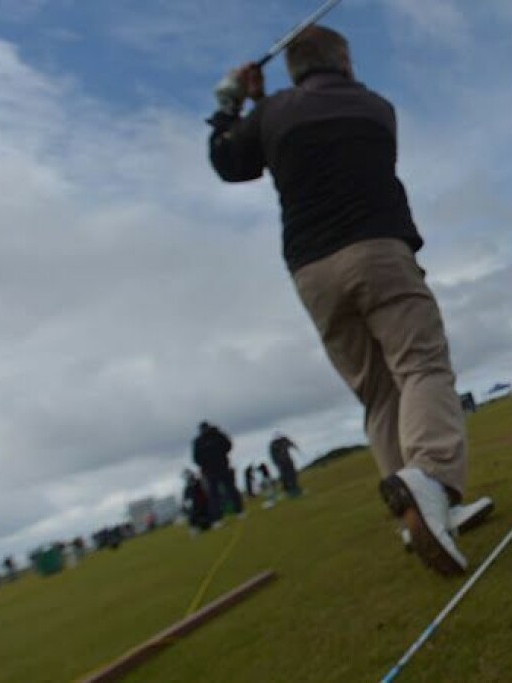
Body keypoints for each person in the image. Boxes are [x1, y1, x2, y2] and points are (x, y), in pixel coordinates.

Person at [206, 26, 492, 575]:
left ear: (292, 71)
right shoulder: (375, 107)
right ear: (343, 60)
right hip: (378, 251)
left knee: (379, 394)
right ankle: (430, 484)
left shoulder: (273, 113)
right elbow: (300, 131)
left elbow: (231, 160)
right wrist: (261, 103)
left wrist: (234, 100)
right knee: (420, 366)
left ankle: (419, 516)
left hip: (312, 272)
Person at [191, 421, 244, 525]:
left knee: (228, 491)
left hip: (221, 467)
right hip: (212, 471)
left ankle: (238, 511)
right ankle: (220, 517)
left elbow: (228, 445)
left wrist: (221, 456)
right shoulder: (200, 441)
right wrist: (206, 463)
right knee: (215, 495)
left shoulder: (216, 435)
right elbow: (196, 458)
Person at [268, 432, 303, 497]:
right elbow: (273, 456)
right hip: (281, 462)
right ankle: (288, 488)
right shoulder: (273, 445)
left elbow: (291, 443)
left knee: (292, 473)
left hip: (287, 460)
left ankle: (294, 486)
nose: (279, 441)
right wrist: (276, 463)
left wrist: (296, 448)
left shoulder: (284, 440)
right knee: (285, 475)